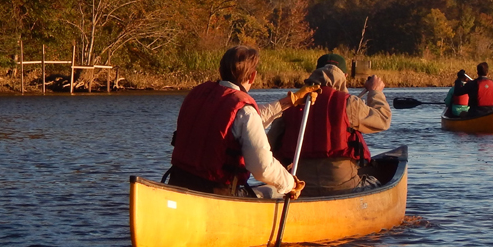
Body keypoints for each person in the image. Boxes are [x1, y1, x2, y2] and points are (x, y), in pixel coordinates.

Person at [166, 45, 314, 199]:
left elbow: (240, 121)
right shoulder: (244, 111)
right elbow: (262, 167)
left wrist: (289, 102)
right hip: (217, 194)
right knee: (275, 191)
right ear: (252, 76)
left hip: (177, 184)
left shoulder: (198, 95)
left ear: (221, 70)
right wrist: (290, 184)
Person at [269, 53, 391, 196]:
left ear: (315, 73)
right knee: (375, 182)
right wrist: (375, 92)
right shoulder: (348, 103)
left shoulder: (292, 102)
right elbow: (383, 119)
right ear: (344, 76)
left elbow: (270, 145)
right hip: (343, 184)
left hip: (302, 186)